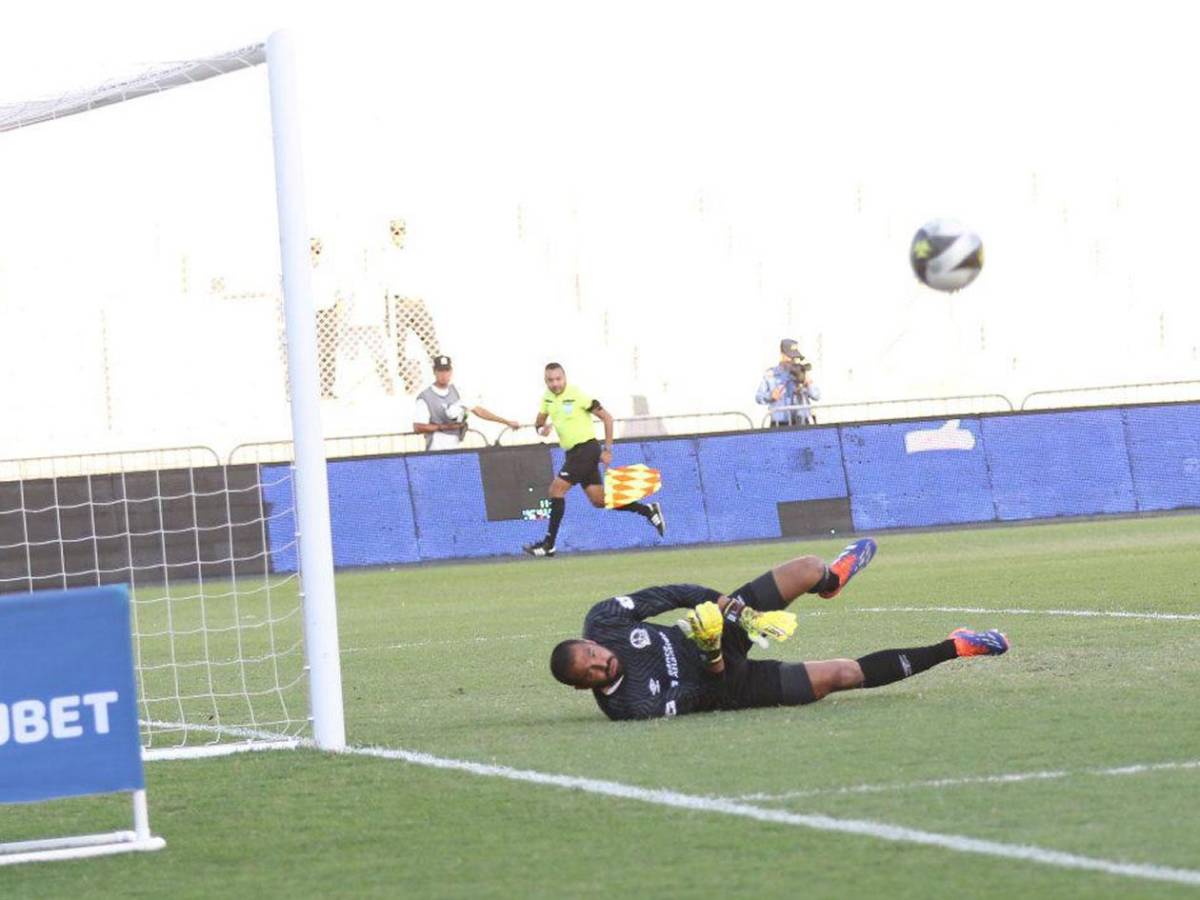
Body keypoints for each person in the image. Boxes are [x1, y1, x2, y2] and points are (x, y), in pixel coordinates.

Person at [549, 538, 1010, 720]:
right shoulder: (627, 708)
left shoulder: (604, 621)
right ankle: (957, 646)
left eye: (592, 654)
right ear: (581, 688)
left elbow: (671, 594)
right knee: (841, 677)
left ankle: (831, 581)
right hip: (731, 684)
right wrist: (711, 655)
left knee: (809, 567)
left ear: (590, 642)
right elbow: (702, 696)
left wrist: (723, 606)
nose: (600, 663)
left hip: (717, 630)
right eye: (589, 673)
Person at [523, 363, 666, 557]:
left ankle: (549, 544)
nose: (555, 384)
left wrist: (607, 449)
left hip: (587, 449)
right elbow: (538, 423)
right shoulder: (547, 398)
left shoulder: (578, 395)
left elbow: (607, 418)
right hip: (572, 454)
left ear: (565, 378)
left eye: (558, 379)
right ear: (545, 380)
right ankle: (647, 510)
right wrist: (543, 429)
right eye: (550, 380)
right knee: (599, 500)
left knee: (556, 489)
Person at [382, 217, 442, 394]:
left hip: (416, 302)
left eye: (401, 230)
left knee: (431, 342)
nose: (398, 234)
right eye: (395, 230)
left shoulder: (415, 252)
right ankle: (406, 382)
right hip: (398, 304)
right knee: (398, 346)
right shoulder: (386, 254)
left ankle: (441, 376)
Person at [413, 356, 520, 450]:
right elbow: (418, 427)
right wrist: (444, 427)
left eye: (446, 370)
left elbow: (479, 411)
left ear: (451, 371)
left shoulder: (457, 391)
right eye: (440, 371)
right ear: (434, 371)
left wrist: (506, 421)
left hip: (456, 447)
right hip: (436, 449)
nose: (444, 375)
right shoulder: (425, 397)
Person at [756, 338, 821, 426]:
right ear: (782, 355)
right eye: (790, 356)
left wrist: (808, 383)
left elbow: (816, 396)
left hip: (802, 422)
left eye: (795, 357)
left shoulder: (801, 372)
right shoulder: (771, 374)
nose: (792, 360)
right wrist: (770, 396)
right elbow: (758, 397)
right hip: (780, 423)